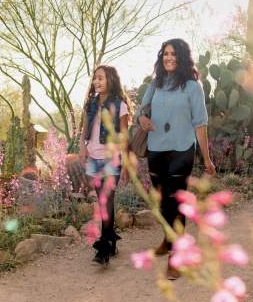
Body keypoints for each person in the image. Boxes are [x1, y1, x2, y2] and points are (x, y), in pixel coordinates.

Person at [136, 38, 216, 280]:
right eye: (165, 54)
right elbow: (141, 109)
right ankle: (168, 241)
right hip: (156, 149)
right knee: (162, 202)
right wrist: (142, 119)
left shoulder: (193, 87)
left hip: (182, 150)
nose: (168, 58)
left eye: (173, 54)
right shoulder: (155, 83)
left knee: (175, 202)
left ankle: (176, 258)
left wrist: (207, 158)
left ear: (181, 57)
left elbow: (200, 124)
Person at [79, 65, 131, 266]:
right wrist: (82, 147)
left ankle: (104, 248)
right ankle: (112, 240)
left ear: (111, 80)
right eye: (95, 78)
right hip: (93, 157)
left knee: (106, 199)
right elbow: (85, 130)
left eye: (101, 78)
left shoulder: (120, 105)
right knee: (102, 202)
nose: (97, 82)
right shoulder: (90, 104)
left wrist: (125, 164)